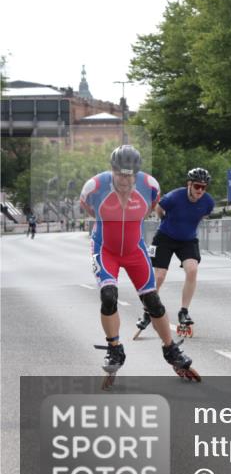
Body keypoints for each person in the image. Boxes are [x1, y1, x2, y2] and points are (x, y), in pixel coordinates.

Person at [79, 145, 198, 384]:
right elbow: (89, 209)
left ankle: (170, 349)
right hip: (106, 249)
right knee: (109, 295)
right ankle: (114, 347)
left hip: (135, 249)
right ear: (112, 171)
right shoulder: (95, 187)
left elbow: (149, 209)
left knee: (152, 301)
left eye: (129, 174)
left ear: (137, 173)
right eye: (120, 174)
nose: (124, 180)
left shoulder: (151, 187)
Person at [136, 167, 215, 338]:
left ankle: (184, 311)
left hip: (187, 240)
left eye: (204, 187)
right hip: (164, 237)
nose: (200, 190)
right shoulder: (174, 196)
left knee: (192, 270)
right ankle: (147, 312)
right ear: (189, 184)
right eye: (197, 186)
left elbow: (201, 216)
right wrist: (164, 219)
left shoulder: (208, 202)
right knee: (159, 276)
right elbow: (159, 208)